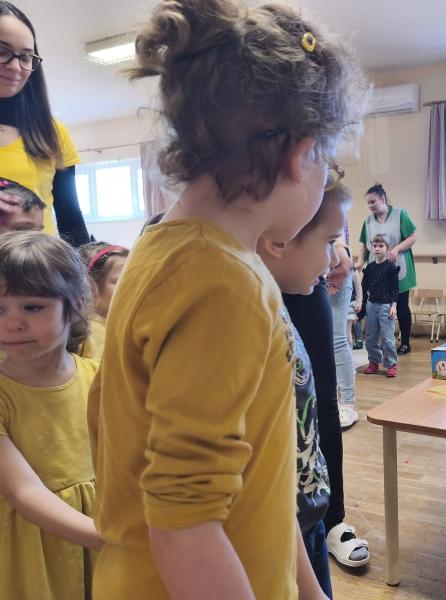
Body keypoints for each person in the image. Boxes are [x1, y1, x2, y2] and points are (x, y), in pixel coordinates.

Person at [86, 1, 367, 599]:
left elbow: (260, 473)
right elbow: (183, 525)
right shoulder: (222, 284)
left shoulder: (162, 248)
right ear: (300, 155)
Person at [259, 186, 352, 597]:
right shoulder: (247, 316)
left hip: (306, 512)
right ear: (280, 240)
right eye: (329, 243)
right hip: (281, 526)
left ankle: (333, 521)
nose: (334, 259)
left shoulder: (288, 300)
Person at [0, 231, 103, 600]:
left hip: (104, 529)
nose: (12, 323)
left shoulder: (101, 378)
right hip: (30, 547)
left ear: (74, 305)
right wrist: (114, 539)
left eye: (32, 307)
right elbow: (24, 491)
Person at [281, 186, 370, 570]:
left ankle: (332, 518)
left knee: (322, 403)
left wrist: (336, 245)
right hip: (268, 274)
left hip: (303, 282)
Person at [0, 2, 89, 247]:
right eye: (2, 50)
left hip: (37, 268)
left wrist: (88, 267)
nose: (15, 66)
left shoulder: (51, 131)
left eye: (26, 56)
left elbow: (70, 218)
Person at [357, 183, 416, 354]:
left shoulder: (399, 214)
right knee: (376, 307)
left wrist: (397, 249)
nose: (370, 205)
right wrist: (360, 261)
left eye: (373, 201)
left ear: (382, 199)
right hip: (376, 270)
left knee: (401, 305)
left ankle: (405, 343)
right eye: (368, 203)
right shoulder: (368, 221)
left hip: (398, 267)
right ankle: (381, 342)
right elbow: (364, 245)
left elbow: (413, 237)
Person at [326, 235, 360, 427]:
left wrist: (339, 254)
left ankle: (347, 404)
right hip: (303, 268)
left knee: (337, 339)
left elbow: (334, 228)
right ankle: (328, 399)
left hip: (332, 264)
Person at [78, 242, 129, 359]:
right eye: (121, 281)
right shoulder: (90, 333)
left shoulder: (123, 325)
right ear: (91, 288)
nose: (133, 286)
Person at [359, 234, 400, 377]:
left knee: (387, 338)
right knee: (371, 336)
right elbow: (363, 287)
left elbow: (395, 289)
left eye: (381, 246)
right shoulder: (370, 268)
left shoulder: (390, 268)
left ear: (387, 249)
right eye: (375, 246)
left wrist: (394, 306)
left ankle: (391, 364)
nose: (377, 249)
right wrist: (361, 303)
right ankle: (374, 362)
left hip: (386, 306)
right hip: (371, 306)